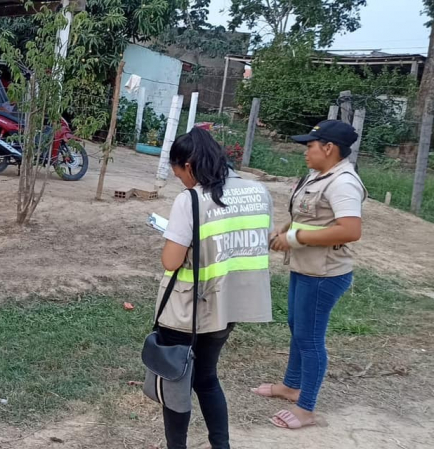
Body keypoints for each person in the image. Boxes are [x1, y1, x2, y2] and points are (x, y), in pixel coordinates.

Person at [157, 128, 274, 449]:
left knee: (176, 384)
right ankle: (221, 445)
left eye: (178, 172)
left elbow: (171, 260)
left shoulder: (191, 200)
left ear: (190, 165)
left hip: (187, 312)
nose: (180, 180)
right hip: (230, 307)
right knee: (207, 377)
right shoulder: (258, 191)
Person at [253, 120, 367, 430]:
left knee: (310, 338)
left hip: (325, 273)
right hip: (306, 267)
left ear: (329, 148)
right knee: (297, 327)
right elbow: (311, 215)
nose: (305, 151)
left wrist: (295, 239)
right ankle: (291, 387)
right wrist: (287, 228)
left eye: (310, 146)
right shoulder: (320, 175)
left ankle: (307, 408)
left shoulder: (343, 182)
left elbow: (349, 229)